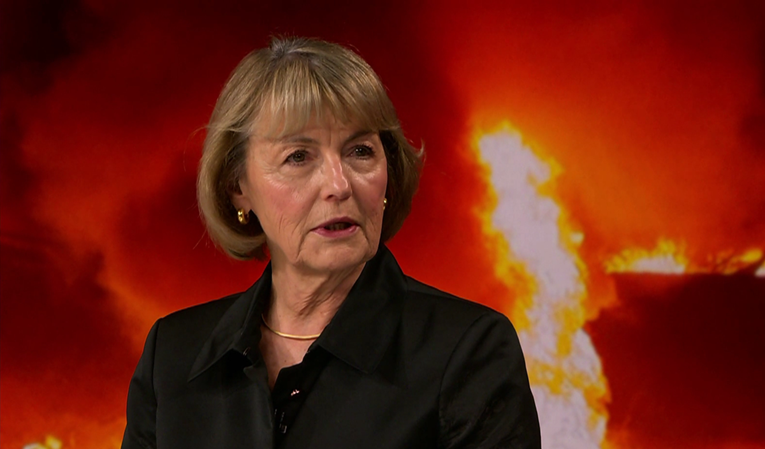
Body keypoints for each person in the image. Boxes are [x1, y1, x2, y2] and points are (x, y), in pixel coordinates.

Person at [122, 37, 540, 449]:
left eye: (360, 151)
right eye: (298, 157)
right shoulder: (171, 357)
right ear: (238, 188)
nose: (339, 185)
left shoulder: (469, 351)